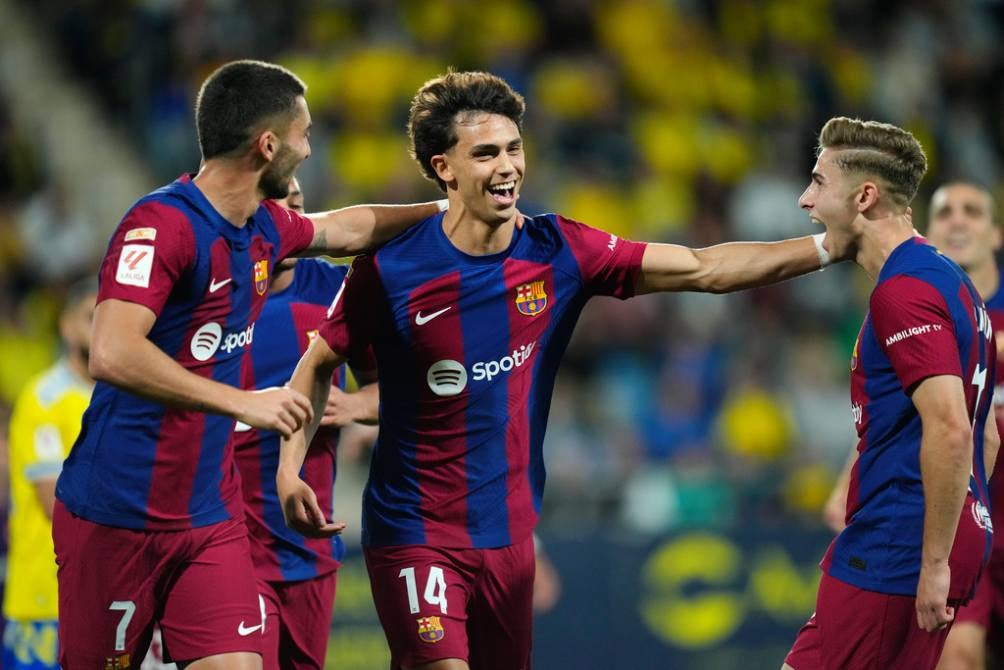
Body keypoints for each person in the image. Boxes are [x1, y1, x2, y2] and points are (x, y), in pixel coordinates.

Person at [276, 70, 844, 670]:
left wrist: (827, 247)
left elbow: (703, 268)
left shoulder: (560, 250)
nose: (507, 167)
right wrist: (291, 470)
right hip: (415, 530)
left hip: (511, 535)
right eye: (486, 153)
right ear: (444, 168)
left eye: (514, 148)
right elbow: (317, 363)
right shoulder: (391, 270)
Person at [52, 59, 444, 669]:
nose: (310, 149)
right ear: (268, 145)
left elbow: (342, 229)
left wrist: (446, 211)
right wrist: (243, 401)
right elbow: (112, 350)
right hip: (117, 514)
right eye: (304, 134)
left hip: (210, 517)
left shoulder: (261, 228)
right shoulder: (161, 224)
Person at [783, 121, 997, 670]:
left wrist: (932, 560)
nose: (806, 199)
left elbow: (951, 428)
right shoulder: (954, 282)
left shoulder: (903, 293)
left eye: (817, 182)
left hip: (896, 541)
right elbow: (987, 435)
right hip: (928, 532)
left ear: (864, 196)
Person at [233, 177, 378, 670]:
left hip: (310, 549)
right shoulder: (211, 298)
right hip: (227, 545)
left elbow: (407, 387)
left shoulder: (333, 289)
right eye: (277, 208)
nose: (292, 221)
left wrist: (355, 407)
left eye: (298, 207)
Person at [3, 279, 96, 670]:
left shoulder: (123, 400)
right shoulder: (43, 399)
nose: (103, 329)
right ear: (66, 326)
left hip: (100, 599)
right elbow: (53, 503)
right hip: (43, 601)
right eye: (92, 318)